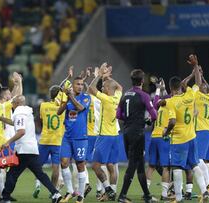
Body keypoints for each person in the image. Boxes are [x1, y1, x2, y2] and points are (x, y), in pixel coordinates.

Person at [162, 54, 209, 203]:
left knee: (176, 168)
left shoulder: (171, 102)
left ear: (170, 88)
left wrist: (166, 132)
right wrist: (195, 66)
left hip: (178, 139)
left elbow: (172, 121)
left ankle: (179, 198)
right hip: (192, 137)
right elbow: (198, 82)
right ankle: (204, 191)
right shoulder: (189, 95)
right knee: (194, 165)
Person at [0, 95, 62, 203]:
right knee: (40, 174)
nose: (11, 104)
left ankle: (6, 198)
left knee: (12, 173)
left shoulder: (18, 112)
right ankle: (55, 193)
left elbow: (21, 131)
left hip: (23, 149)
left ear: (17, 103)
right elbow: (15, 124)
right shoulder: (27, 112)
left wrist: (8, 142)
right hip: (32, 149)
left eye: (13, 102)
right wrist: (1, 118)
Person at [116, 69, 158, 203]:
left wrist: (129, 118)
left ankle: (147, 195)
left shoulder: (125, 95)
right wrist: (145, 121)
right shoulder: (144, 95)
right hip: (137, 134)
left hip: (126, 132)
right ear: (142, 81)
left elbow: (118, 115)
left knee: (140, 165)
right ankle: (122, 195)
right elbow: (154, 115)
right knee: (133, 165)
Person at [88, 64, 122, 201]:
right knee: (111, 166)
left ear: (108, 89)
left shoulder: (106, 99)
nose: (101, 88)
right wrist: (108, 78)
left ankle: (107, 189)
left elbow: (91, 88)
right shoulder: (117, 97)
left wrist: (100, 75)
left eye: (103, 86)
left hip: (105, 136)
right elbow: (119, 87)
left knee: (95, 166)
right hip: (115, 136)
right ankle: (112, 192)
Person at [57, 75, 91, 203]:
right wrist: (66, 99)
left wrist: (70, 96)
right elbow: (59, 112)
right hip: (68, 136)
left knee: (80, 164)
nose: (80, 86)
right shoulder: (69, 99)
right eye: (78, 84)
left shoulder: (86, 98)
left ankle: (81, 196)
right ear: (73, 85)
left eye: (82, 84)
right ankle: (70, 191)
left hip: (80, 137)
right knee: (64, 162)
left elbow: (81, 108)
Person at [33, 86, 65, 198]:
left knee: (38, 166)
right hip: (56, 141)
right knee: (56, 168)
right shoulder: (63, 108)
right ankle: (53, 191)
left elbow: (41, 119)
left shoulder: (43, 105)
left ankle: (37, 184)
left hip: (44, 140)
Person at [145, 79, 171, 200]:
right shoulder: (171, 104)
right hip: (163, 137)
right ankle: (165, 195)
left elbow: (156, 99)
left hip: (153, 136)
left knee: (151, 166)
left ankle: (146, 192)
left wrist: (159, 88)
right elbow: (170, 96)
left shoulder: (157, 106)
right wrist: (163, 88)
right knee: (166, 167)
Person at [194, 72, 209, 195]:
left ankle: (208, 184)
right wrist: (203, 77)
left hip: (202, 131)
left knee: (198, 158)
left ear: (202, 90)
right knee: (207, 161)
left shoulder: (198, 96)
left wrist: (197, 71)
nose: (201, 85)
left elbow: (198, 83)